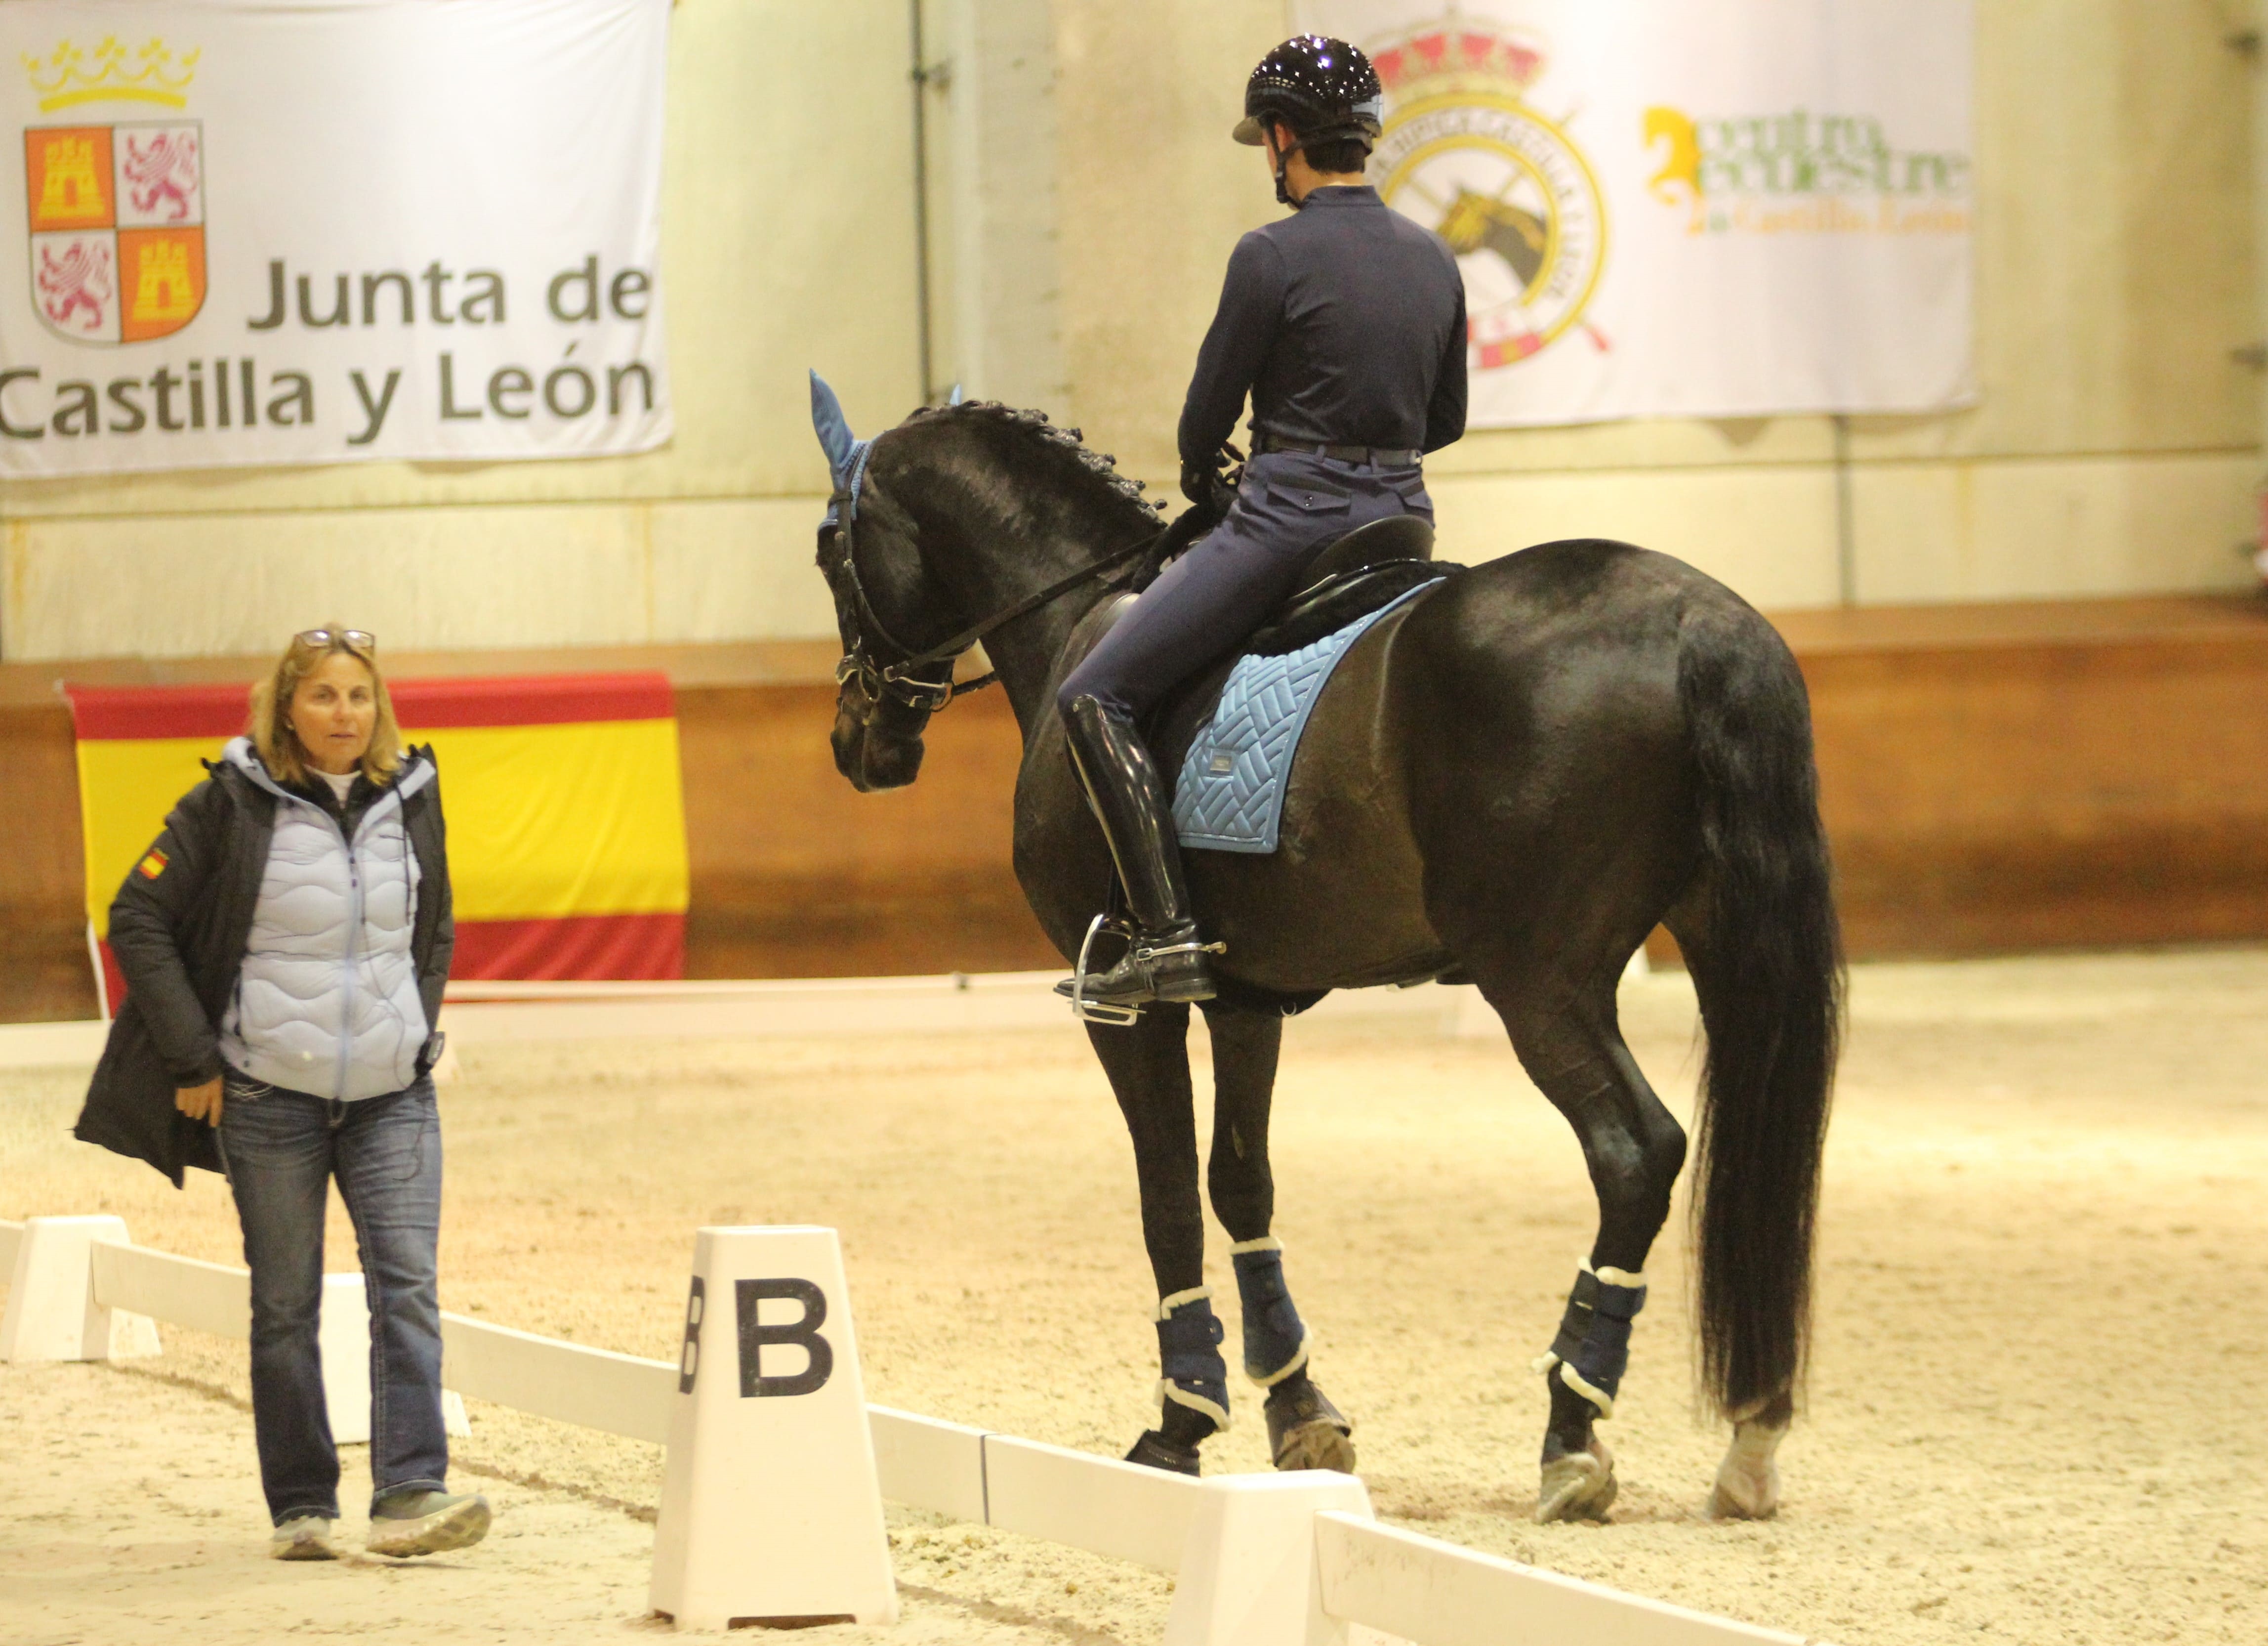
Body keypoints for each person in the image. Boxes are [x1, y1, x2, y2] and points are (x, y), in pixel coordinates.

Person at [1053, 34, 1468, 1010]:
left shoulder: (1269, 255)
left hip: (1287, 526)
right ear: (1362, 137)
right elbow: (1442, 422)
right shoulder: (1433, 258)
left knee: (1093, 695)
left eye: (1265, 144)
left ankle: (1163, 936)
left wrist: (1208, 470)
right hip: (1403, 525)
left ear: (1284, 137)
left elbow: (1206, 414)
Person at [74, 627, 488, 1562]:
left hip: (394, 1096)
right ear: (285, 709)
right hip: (269, 1100)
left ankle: (411, 1490)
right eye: (324, 697)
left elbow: (437, 922)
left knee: (409, 1292)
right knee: (285, 1305)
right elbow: (138, 915)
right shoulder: (229, 803)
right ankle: (302, 1504)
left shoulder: (415, 796)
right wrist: (194, 1061)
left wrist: (416, 1025)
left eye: (359, 696)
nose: (345, 714)